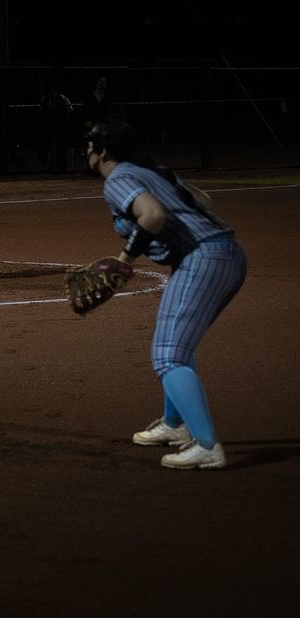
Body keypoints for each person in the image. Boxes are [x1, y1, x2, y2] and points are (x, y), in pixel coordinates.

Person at [86, 120, 247, 470]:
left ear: (103, 153)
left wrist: (124, 261)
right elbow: (204, 200)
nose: (87, 151)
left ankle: (206, 445)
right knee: (176, 346)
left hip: (203, 257)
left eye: (90, 145)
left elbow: (153, 215)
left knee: (168, 355)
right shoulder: (152, 171)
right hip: (223, 252)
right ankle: (175, 425)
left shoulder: (118, 178)